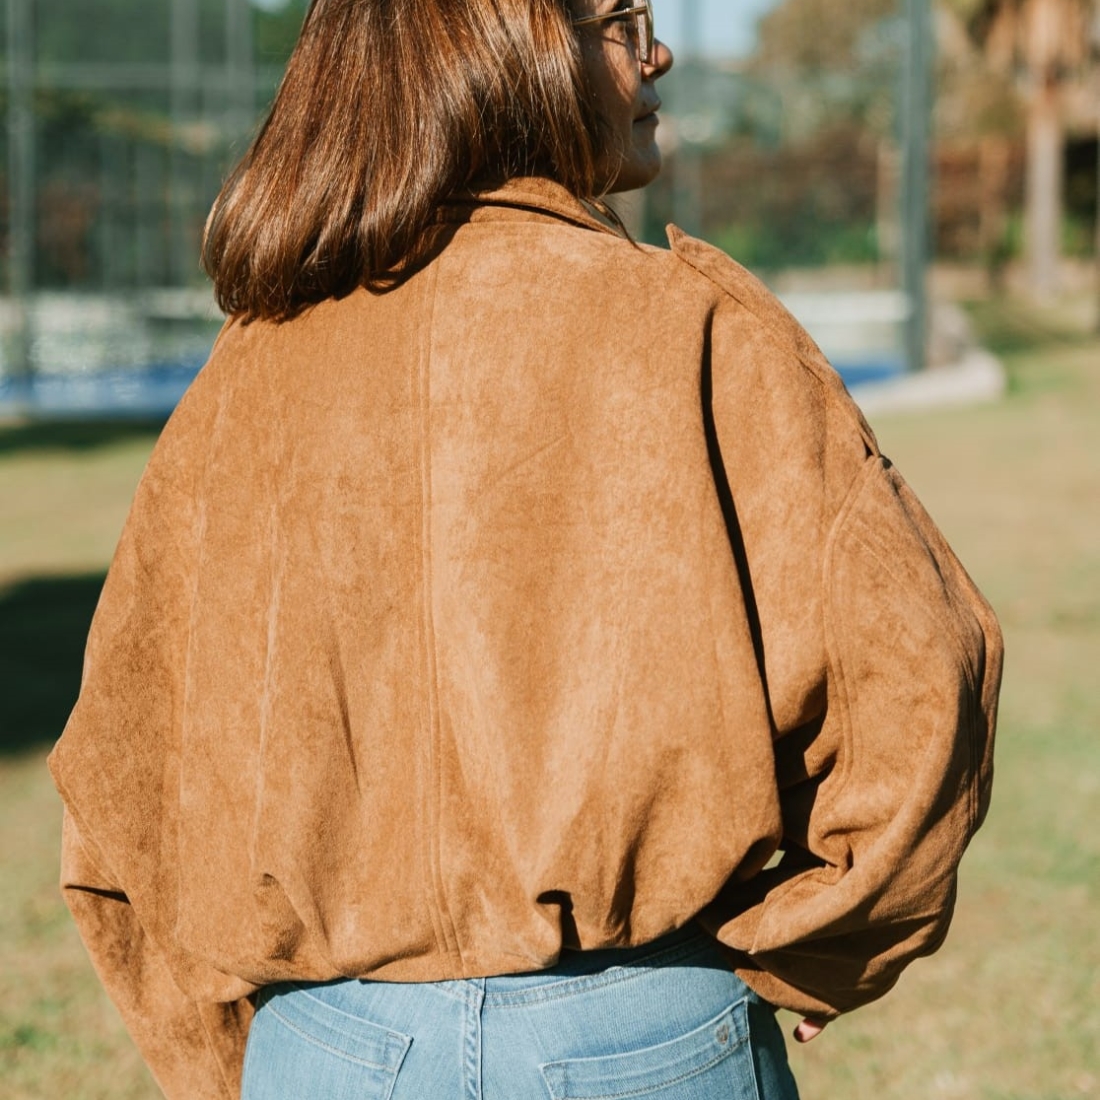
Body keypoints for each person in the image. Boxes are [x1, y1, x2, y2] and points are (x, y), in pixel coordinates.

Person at [48, 1, 1003, 1098]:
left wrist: (256, 1060)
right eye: (618, 17)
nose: (658, 49)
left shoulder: (244, 375)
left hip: (331, 1052)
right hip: (649, 1032)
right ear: (501, 44)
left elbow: (121, 795)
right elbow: (922, 678)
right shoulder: (693, 328)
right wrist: (798, 947)